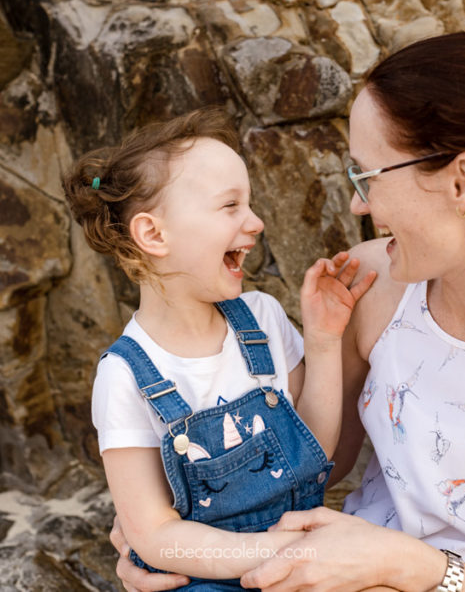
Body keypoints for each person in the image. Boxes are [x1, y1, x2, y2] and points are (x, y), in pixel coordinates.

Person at [108, 32, 465, 592]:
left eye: (368, 175)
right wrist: (162, 527)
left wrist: (415, 567)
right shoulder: (374, 287)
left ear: (463, 182)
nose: (358, 204)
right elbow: (310, 467)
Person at [65, 108, 376, 588]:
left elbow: (314, 453)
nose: (255, 222)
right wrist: (266, 552)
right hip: (206, 578)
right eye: (230, 206)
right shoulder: (125, 375)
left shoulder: (262, 318)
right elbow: (154, 535)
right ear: (153, 234)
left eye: (248, 204)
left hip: (300, 559)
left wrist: (323, 340)